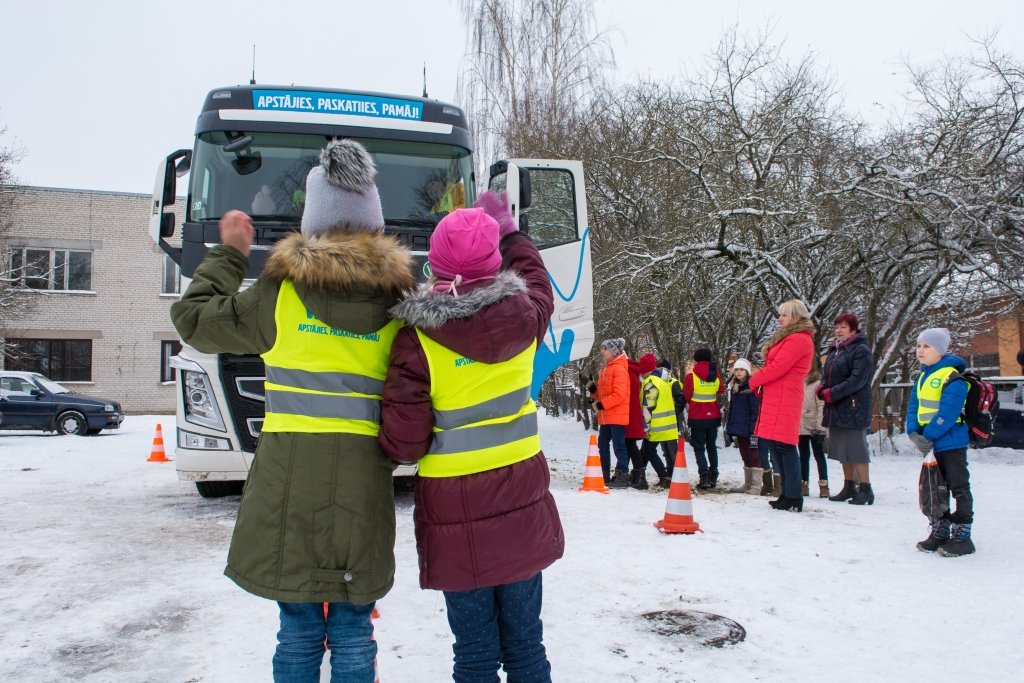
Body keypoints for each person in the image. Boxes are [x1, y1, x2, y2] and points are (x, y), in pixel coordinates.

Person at [170, 139, 414, 682]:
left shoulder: (278, 295)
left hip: (286, 486)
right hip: (363, 486)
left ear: (314, 220)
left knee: (298, 627)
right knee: (354, 626)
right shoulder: (403, 307)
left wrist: (230, 255)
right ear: (374, 224)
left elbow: (193, 320)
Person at [378, 193, 563, 680]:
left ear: (434, 265)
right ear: (494, 259)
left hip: (454, 510)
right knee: (526, 644)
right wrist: (513, 235)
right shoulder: (526, 316)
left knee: (476, 652)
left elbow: (405, 444)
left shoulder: (415, 340)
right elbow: (540, 282)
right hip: (522, 495)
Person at [906, 328, 975, 556]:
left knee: (959, 487)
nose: (920, 350)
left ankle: (963, 536)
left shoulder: (952, 377)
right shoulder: (922, 377)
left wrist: (929, 435)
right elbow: (913, 407)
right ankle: (940, 530)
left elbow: (948, 411)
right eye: (919, 346)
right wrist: (913, 432)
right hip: (930, 446)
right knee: (936, 489)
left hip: (950, 443)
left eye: (927, 346)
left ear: (941, 350)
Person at [748, 300, 816, 512]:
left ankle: (793, 494)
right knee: (775, 444)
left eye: (784, 315)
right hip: (777, 395)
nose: (780, 318)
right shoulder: (791, 337)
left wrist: (754, 379)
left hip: (784, 396)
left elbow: (778, 367)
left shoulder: (798, 339)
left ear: (795, 316)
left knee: (785, 446)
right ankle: (787, 493)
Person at [820, 312, 874, 505]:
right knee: (843, 449)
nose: (839, 330)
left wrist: (831, 392)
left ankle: (865, 487)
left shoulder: (860, 350)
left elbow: (857, 380)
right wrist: (822, 387)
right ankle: (849, 485)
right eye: (836, 327)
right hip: (836, 407)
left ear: (853, 329)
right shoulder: (835, 350)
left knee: (856, 448)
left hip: (853, 405)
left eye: (843, 327)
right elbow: (828, 375)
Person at [587, 338, 632, 489]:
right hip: (606, 415)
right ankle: (604, 473)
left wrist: (601, 404)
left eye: (604, 349)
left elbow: (619, 395)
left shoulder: (619, 369)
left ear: (613, 351)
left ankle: (622, 475)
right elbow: (602, 394)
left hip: (616, 415)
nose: (602, 352)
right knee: (602, 444)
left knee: (619, 445)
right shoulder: (607, 368)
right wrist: (591, 387)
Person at [683, 348, 725, 489]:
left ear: (696, 359)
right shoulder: (716, 374)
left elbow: (687, 395)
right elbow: (721, 390)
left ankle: (704, 475)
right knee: (711, 445)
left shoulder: (691, 376)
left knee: (699, 447)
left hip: (697, 416)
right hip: (713, 415)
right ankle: (714, 473)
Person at [725, 358, 763, 495]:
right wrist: (730, 427)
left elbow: (755, 409)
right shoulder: (734, 388)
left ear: (747, 371)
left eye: (741, 369)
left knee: (754, 454)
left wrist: (754, 428)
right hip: (739, 426)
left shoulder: (752, 387)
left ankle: (756, 485)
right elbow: (732, 408)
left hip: (750, 427)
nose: (738, 372)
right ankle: (747, 483)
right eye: (736, 370)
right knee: (744, 454)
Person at [638, 352, 676, 488]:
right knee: (646, 450)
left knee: (648, 451)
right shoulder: (663, 382)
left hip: (656, 425)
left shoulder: (650, 383)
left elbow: (648, 407)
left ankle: (663, 475)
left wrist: (645, 427)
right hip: (668, 424)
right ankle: (638, 474)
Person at [799, 365, 829, 498]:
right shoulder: (797, 382)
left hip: (814, 425)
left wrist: (820, 427)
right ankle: (803, 483)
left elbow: (822, 406)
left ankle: (823, 484)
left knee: (819, 455)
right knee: (803, 456)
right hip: (800, 425)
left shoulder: (817, 384)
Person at [625, 355, 651, 489]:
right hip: (633, 414)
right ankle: (637, 475)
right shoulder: (632, 372)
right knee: (630, 445)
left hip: (630, 415)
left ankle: (639, 476)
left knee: (630, 445)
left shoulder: (627, 372)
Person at [657, 358, 686, 436]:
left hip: (671, 420)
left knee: (672, 444)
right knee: (663, 445)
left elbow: (680, 400)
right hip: (658, 420)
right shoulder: (655, 381)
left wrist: (674, 413)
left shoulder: (673, 382)